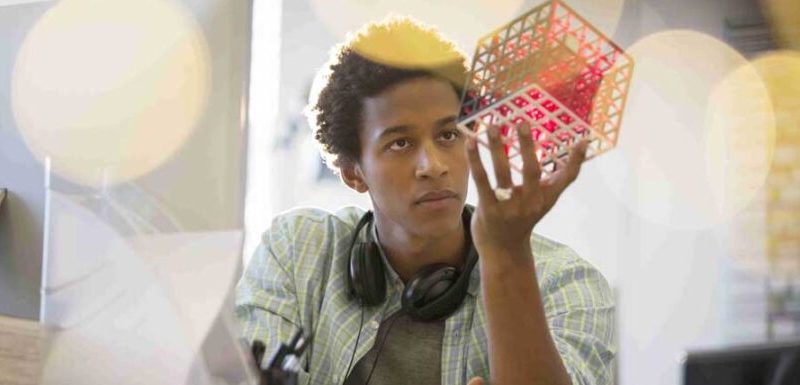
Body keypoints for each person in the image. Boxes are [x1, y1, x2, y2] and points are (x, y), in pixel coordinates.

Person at [236, 15, 615, 385]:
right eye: (400, 143)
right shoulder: (298, 251)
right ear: (354, 172)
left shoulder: (565, 282)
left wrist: (507, 255)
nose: (432, 166)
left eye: (449, 135)